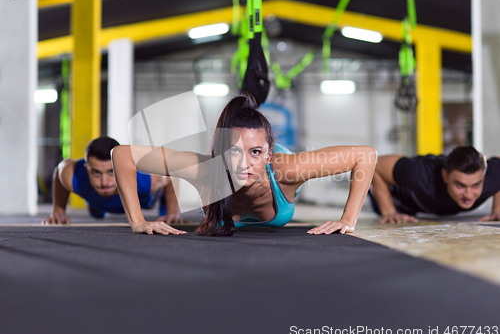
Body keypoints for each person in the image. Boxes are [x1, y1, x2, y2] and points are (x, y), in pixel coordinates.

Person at [111, 93, 377, 236]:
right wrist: (137, 221)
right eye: (233, 152)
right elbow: (122, 154)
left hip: (274, 172)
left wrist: (348, 219)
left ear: (268, 154)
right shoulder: (205, 170)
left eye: (255, 152)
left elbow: (365, 155)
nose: (243, 164)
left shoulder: (287, 169)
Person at [44, 136, 184, 224]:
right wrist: (58, 210)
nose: (105, 182)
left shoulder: (149, 179)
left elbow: (171, 172)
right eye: (96, 173)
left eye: (111, 172)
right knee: (97, 212)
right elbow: (59, 172)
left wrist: (172, 211)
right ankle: (96, 204)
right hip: (97, 201)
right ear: (87, 168)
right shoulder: (71, 174)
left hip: (144, 200)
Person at [369, 146, 500, 224]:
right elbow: (376, 165)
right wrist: (389, 212)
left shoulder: (490, 176)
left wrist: (497, 210)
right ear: (445, 176)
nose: (469, 195)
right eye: (460, 186)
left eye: (476, 185)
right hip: (399, 199)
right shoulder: (420, 174)